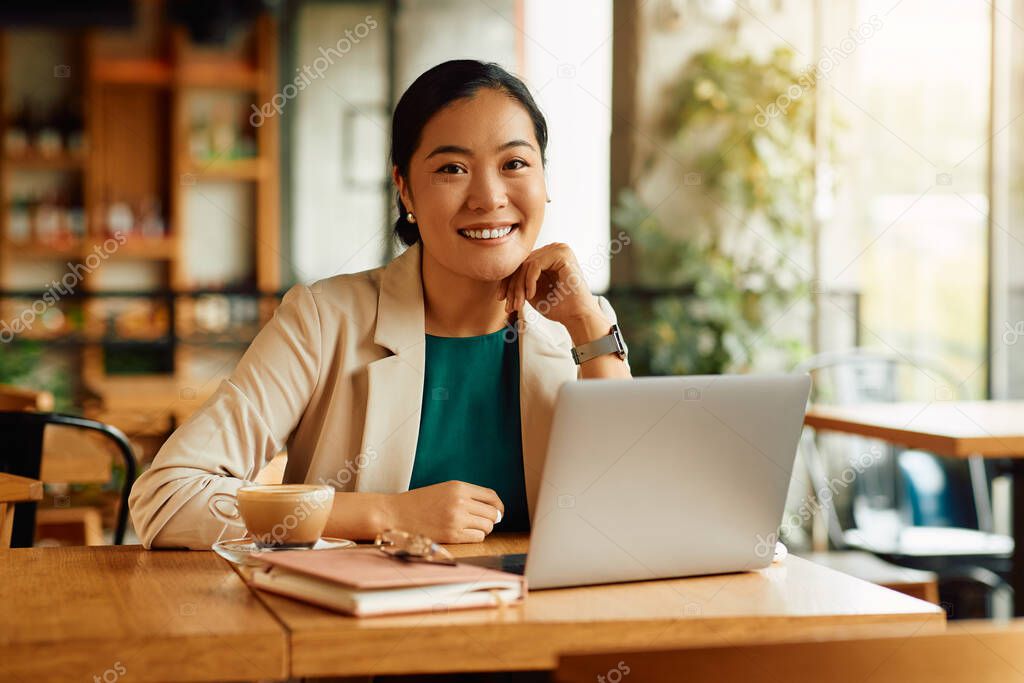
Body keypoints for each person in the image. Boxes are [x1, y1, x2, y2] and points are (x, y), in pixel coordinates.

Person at [129, 59, 631, 549]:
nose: (489, 196)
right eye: (452, 168)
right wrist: (387, 513)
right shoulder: (323, 319)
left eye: (515, 164)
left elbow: (628, 513)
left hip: (534, 625)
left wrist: (589, 325)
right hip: (359, 626)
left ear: (545, 180)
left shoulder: (583, 326)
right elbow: (169, 498)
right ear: (405, 189)